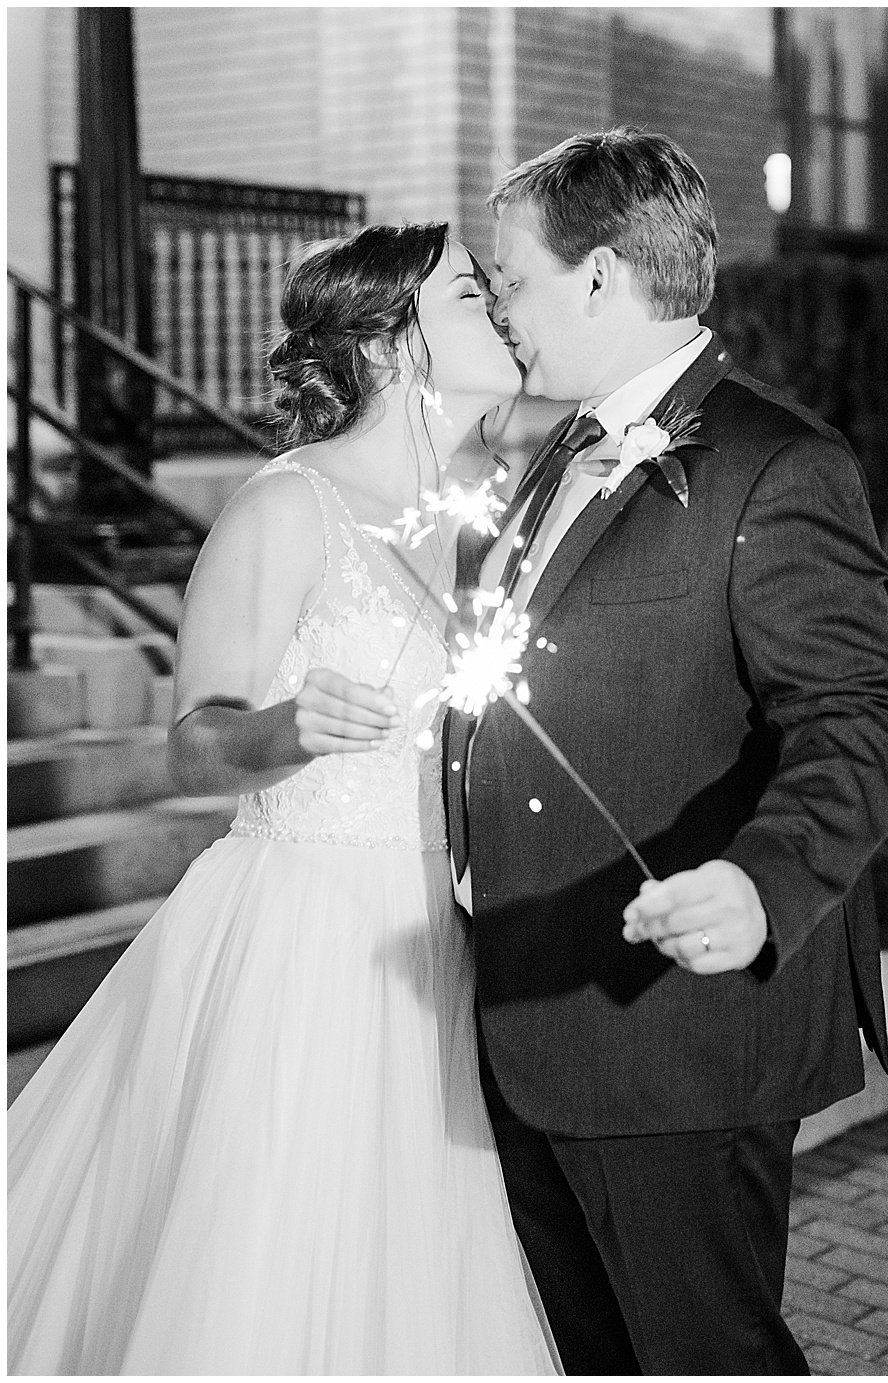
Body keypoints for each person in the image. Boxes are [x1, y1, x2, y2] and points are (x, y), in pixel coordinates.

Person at [8, 225, 560, 1373]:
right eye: (470, 289)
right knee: (277, 1250)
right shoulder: (285, 508)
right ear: (393, 338)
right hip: (305, 941)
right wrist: (282, 730)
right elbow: (191, 748)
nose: (501, 306)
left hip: (436, 935)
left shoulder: (482, 520)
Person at [464, 129, 888, 1375]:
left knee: (705, 1353)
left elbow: (858, 720)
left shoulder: (776, 465)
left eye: (515, 278)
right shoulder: (548, 454)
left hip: (672, 1031)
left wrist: (766, 881)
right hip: (532, 1004)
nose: (503, 310)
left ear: (600, 276)